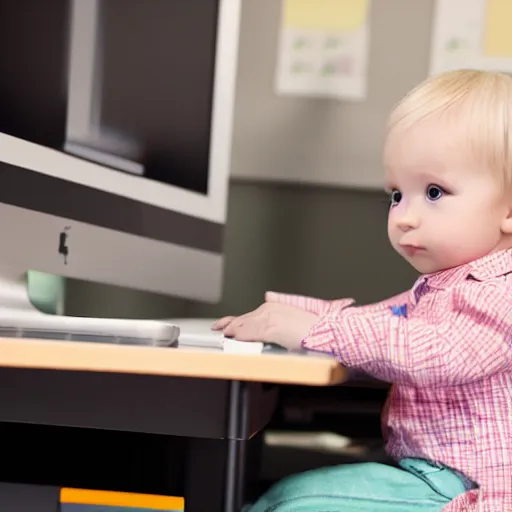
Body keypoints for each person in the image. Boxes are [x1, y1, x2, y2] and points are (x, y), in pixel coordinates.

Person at [212, 69, 512, 511]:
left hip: (472, 493)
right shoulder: (443, 287)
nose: (404, 217)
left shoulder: (498, 295)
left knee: (286, 505)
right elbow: (381, 320)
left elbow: (433, 352)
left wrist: (317, 330)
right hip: (433, 474)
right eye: (396, 195)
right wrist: (290, 313)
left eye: (433, 191)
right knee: (283, 492)